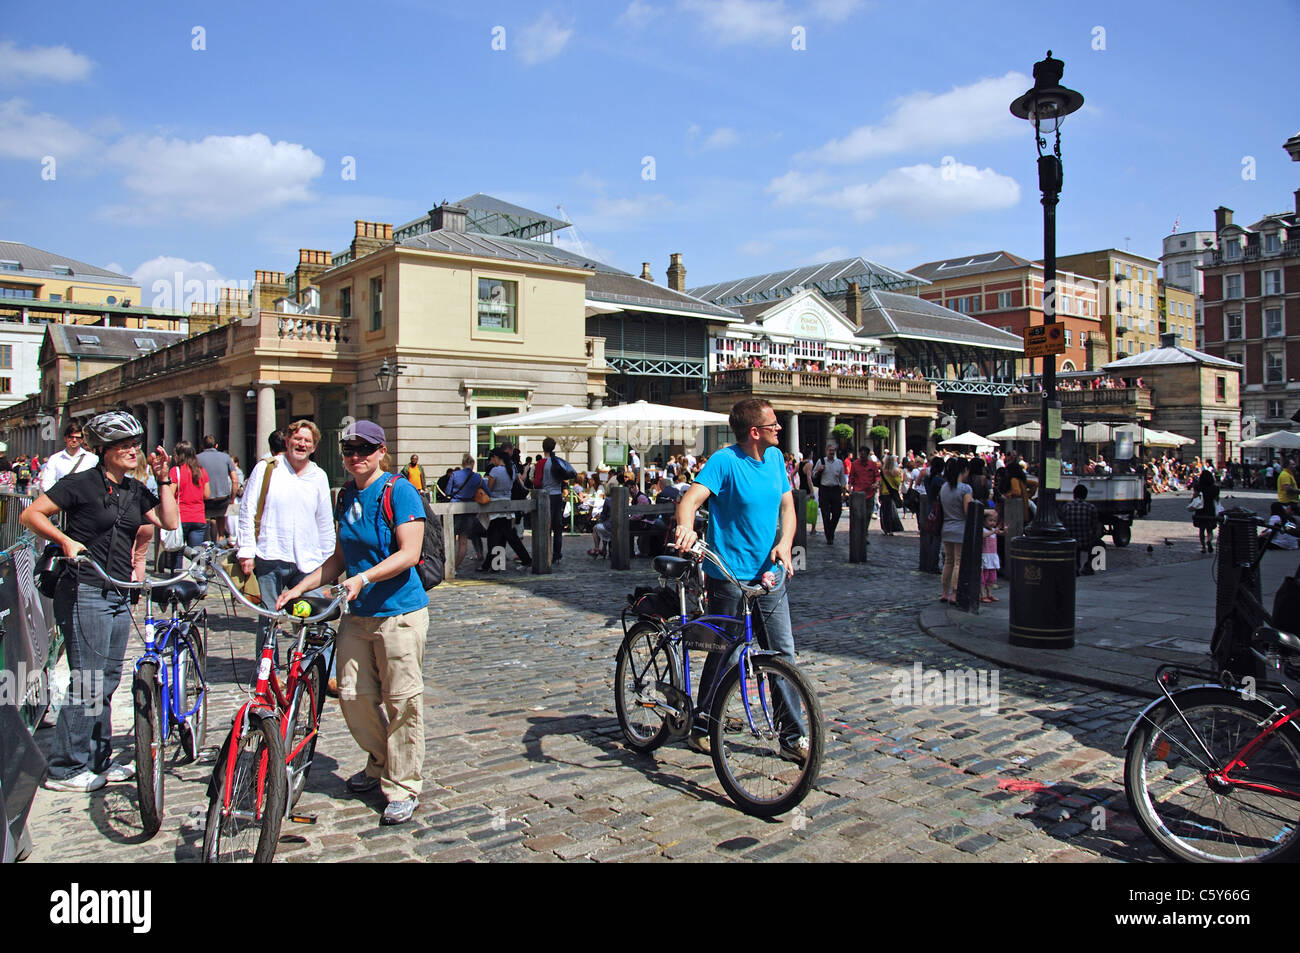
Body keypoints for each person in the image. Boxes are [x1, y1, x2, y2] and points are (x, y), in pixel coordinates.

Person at [19, 411, 178, 792]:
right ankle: (64, 768)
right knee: (87, 680)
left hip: (119, 591)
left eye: (135, 445)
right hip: (83, 588)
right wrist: (64, 540)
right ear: (103, 450)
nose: (132, 451)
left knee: (106, 679)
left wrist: (164, 478)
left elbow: (170, 522)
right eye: (123, 445)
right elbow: (30, 514)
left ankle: (97, 758)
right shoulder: (81, 484)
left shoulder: (134, 489)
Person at [278, 421, 427, 826]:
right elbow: (338, 559)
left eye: (364, 449)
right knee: (352, 694)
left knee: (402, 701)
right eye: (349, 450)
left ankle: (403, 784)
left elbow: (410, 552)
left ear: (381, 451)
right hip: (357, 614)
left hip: (399, 612)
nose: (356, 457)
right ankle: (381, 761)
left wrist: (363, 579)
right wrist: (300, 587)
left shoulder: (399, 491)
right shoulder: (345, 496)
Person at [672, 398, 808, 761]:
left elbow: (788, 509)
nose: (780, 429)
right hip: (729, 577)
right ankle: (702, 726)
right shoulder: (724, 461)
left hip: (769, 576)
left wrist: (784, 543)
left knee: (782, 655)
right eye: (774, 424)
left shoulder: (777, 460)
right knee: (725, 656)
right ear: (754, 432)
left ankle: (791, 736)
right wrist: (686, 529)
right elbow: (689, 502)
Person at [237, 420, 335, 665]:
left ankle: (314, 670)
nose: (301, 444)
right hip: (271, 554)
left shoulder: (318, 476)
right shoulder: (268, 468)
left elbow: (324, 521)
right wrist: (246, 551)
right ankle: (266, 671)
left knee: (314, 615)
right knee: (269, 616)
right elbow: (247, 510)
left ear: (314, 447)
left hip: (307, 560)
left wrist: (329, 561)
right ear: (288, 441)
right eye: (297, 438)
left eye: (307, 441)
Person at [479, 447, 531, 571]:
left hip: (496, 505)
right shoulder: (511, 470)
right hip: (507, 504)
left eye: (492, 459)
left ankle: (492, 564)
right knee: (505, 536)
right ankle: (497, 564)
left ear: (496, 458)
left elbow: (490, 489)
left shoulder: (495, 471)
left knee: (497, 536)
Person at [167, 440, 211, 571]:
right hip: (198, 516)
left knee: (177, 552)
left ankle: (176, 581)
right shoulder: (201, 471)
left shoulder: (176, 471)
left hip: (181, 516)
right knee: (197, 554)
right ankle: (200, 581)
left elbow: (169, 494)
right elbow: (207, 494)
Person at [938, 457, 973, 604]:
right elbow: (968, 510)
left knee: (948, 562)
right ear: (964, 470)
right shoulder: (965, 489)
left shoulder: (944, 487)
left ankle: (944, 593)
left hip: (946, 527)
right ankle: (954, 593)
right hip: (960, 528)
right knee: (958, 562)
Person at [197, 435, 239, 545]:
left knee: (205, 522)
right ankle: (220, 537)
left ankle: (206, 543)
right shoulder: (226, 457)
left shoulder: (197, 458)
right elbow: (235, 480)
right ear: (216, 446)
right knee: (221, 517)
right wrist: (232, 498)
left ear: (202, 446)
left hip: (204, 500)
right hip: (222, 500)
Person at [446, 453, 485, 568]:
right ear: (473, 464)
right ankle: (455, 567)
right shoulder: (477, 477)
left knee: (450, 539)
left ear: (463, 464)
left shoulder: (454, 474)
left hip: (454, 509)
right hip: (469, 509)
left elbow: (448, 492)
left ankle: (447, 566)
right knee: (463, 542)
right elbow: (487, 491)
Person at [538, 436, 574, 562]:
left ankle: (545, 552)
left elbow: (537, 482)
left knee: (545, 526)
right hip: (557, 495)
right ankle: (557, 554)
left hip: (545, 496)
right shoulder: (558, 462)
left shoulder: (542, 463)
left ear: (543, 448)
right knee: (557, 527)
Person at [38, 421, 99, 492]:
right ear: (65, 438)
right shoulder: (55, 459)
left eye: (77, 437)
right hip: (61, 499)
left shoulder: (93, 459)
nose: (74, 440)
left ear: (82, 440)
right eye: (71, 437)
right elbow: (47, 483)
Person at [1059, 483, 1101, 575]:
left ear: (1074, 495)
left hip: (1071, 540)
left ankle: (1075, 567)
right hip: (1087, 540)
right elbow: (1095, 527)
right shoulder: (1091, 508)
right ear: (1085, 495)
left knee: (1074, 545)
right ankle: (1090, 566)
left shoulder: (1067, 507)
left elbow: (1063, 524)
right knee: (1100, 545)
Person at [812, 442, 846, 544]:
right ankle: (829, 536)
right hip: (824, 489)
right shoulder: (821, 461)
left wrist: (844, 491)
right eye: (830, 450)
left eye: (833, 451)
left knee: (837, 513)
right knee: (825, 514)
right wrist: (818, 470)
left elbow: (842, 478)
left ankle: (830, 530)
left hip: (835, 489)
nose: (831, 452)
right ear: (826, 451)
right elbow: (813, 475)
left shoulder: (839, 462)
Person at [847, 447, 879, 539]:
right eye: (861, 454)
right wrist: (850, 489)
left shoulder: (872, 464)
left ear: (867, 454)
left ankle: (864, 532)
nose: (862, 456)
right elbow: (851, 477)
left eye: (864, 454)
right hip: (858, 494)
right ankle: (860, 534)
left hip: (870, 493)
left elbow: (877, 476)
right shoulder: (855, 464)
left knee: (868, 515)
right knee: (858, 515)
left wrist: (876, 483)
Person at [1192, 467, 1220, 553]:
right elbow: (1217, 499)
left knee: (1201, 529)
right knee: (1210, 529)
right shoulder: (1215, 488)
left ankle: (1203, 547)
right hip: (1210, 509)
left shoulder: (1198, 486)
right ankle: (1209, 541)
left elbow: (1195, 496)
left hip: (1201, 509)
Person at [878, 454, 905, 536]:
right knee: (891, 512)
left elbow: (881, 484)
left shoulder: (883, 471)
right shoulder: (896, 471)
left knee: (885, 512)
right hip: (892, 493)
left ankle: (886, 529)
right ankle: (891, 529)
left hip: (884, 493)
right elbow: (898, 482)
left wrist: (880, 494)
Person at [980, 509, 1002, 602]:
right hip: (985, 555)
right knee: (983, 576)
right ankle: (983, 595)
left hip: (992, 556)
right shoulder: (983, 530)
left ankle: (989, 593)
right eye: (990, 520)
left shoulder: (993, 530)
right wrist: (993, 532)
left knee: (991, 577)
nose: (992, 523)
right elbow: (984, 535)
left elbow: (1000, 533)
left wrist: (1003, 530)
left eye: (994, 521)